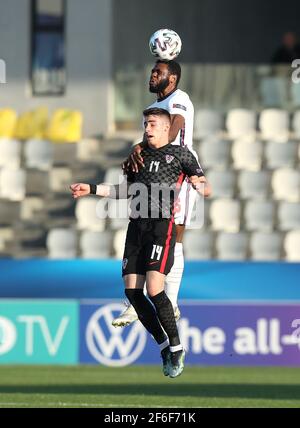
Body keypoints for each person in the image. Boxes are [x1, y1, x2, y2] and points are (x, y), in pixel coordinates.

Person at [70, 108, 211, 377]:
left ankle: (177, 347)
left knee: (155, 289)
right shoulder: (139, 155)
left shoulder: (180, 154)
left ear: (167, 128)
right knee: (133, 293)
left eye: (152, 124)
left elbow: (205, 185)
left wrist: (199, 185)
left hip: (161, 226)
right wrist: (91, 188)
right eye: (145, 123)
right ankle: (163, 348)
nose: (147, 128)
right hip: (136, 227)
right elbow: (125, 190)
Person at [112, 59, 200, 327]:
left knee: (175, 234)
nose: (152, 75)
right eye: (152, 71)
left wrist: (140, 147)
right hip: (155, 172)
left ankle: (170, 301)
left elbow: (174, 129)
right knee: (142, 228)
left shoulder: (179, 99)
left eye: (157, 72)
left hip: (178, 171)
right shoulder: (155, 107)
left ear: (171, 79)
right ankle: (134, 301)